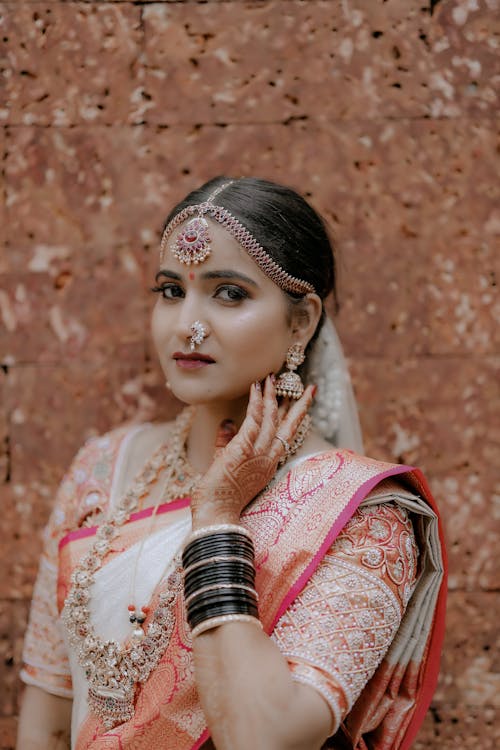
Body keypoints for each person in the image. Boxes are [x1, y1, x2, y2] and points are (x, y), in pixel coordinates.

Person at [16, 177, 447, 750]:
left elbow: (263, 736)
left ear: (302, 322)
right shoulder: (99, 468)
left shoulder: (363, 516)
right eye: (172, 291)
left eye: (229, 294)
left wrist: (217, 519)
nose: (187, 325)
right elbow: (47, 714)